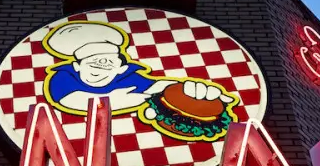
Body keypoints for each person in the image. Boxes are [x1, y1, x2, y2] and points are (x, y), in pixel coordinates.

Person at [43, 21, 233, 114]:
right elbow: (71, 100)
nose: (100, 68)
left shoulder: (129, 77)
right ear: (76, 66)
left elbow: (157, 85)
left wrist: (190, 89)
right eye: (92, 61)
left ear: (119, 68)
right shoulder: (64, 77)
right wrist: (113, 100)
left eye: (108, 62)